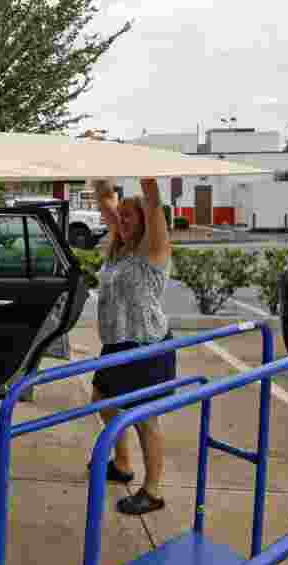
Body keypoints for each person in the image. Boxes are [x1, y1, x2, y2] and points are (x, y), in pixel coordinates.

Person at [89, 177, 175, 516]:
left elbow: (153, 202)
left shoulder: (153, 249)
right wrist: (96, 166)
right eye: (119, 216)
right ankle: (122, 464)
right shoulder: (120, 246)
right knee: (103, 401)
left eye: (129, 217)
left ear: (144, 220)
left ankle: (152, 492)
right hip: (117, 344)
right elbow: (105, 196)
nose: (121, 221)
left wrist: (147, 177)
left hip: (146, 347)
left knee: (145, 419)